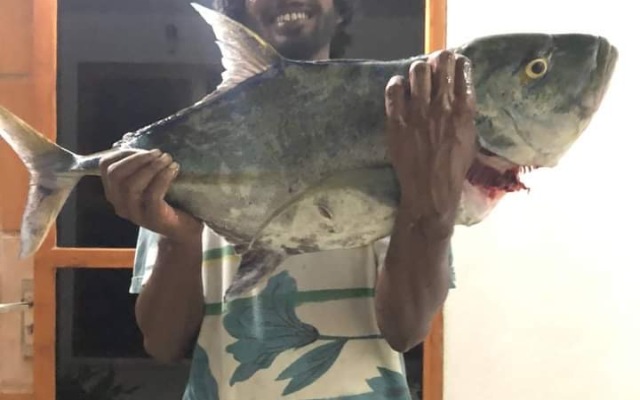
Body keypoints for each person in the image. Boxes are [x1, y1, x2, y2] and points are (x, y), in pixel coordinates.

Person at [98, 0, 477, 398]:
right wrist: (180, 239)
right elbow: (162, 342)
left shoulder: (401, 129)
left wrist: (428, 203)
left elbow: (408, 329)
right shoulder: (192, 146)